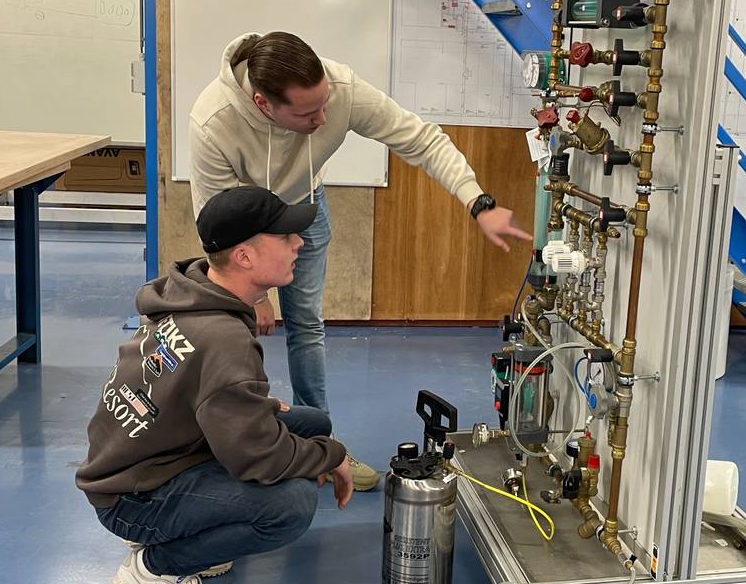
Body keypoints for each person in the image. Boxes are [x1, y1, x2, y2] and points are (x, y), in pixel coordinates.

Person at [188, 31, 530, 490]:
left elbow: (421, 139)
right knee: (235, 330)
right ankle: (245, 446)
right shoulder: (214, 122)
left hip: (305, 204)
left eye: (325, 105)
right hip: (244, 229)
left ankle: (322, 449)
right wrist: (257, 293)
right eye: (308, 114)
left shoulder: (340, 88)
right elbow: (216, 222)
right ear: (263, 104)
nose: (324, 119)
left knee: (306, 323)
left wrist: (478, 202)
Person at [76, 186, 355, 584]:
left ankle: (188, 533)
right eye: (284, 236)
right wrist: (333, 455)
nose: (298, 242)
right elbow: (258, 457)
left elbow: (185, 382)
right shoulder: (223, 337)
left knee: (310, 422)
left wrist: (246, 404)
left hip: (146, 456)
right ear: (244, 257)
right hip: (131, 494)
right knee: (292, 504)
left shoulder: (188, 292)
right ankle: (156, 569)